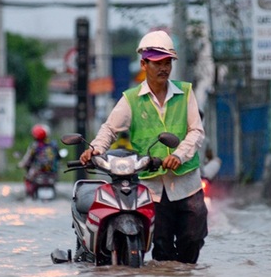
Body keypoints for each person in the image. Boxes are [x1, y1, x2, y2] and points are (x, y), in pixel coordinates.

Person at [79, 30, 208, 264]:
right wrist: (95, 149)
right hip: (152, 186)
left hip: (187, 183)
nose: (164, 68)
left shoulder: (186, 92)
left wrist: (179, 155)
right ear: (143, 64)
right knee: (161, 247)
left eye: (168, 62)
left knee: (193, 237)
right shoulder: (131, 99)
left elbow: (196, 131)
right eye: (157, 63)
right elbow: (109, 129)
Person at [18, 124, 60, 197]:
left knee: (27, 178)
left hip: (38, 170)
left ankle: (29, 194)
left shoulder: (34, 145)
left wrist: (21, 164)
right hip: (52, 171)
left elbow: (28, 158)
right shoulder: (53, 144)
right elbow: (58, 156)